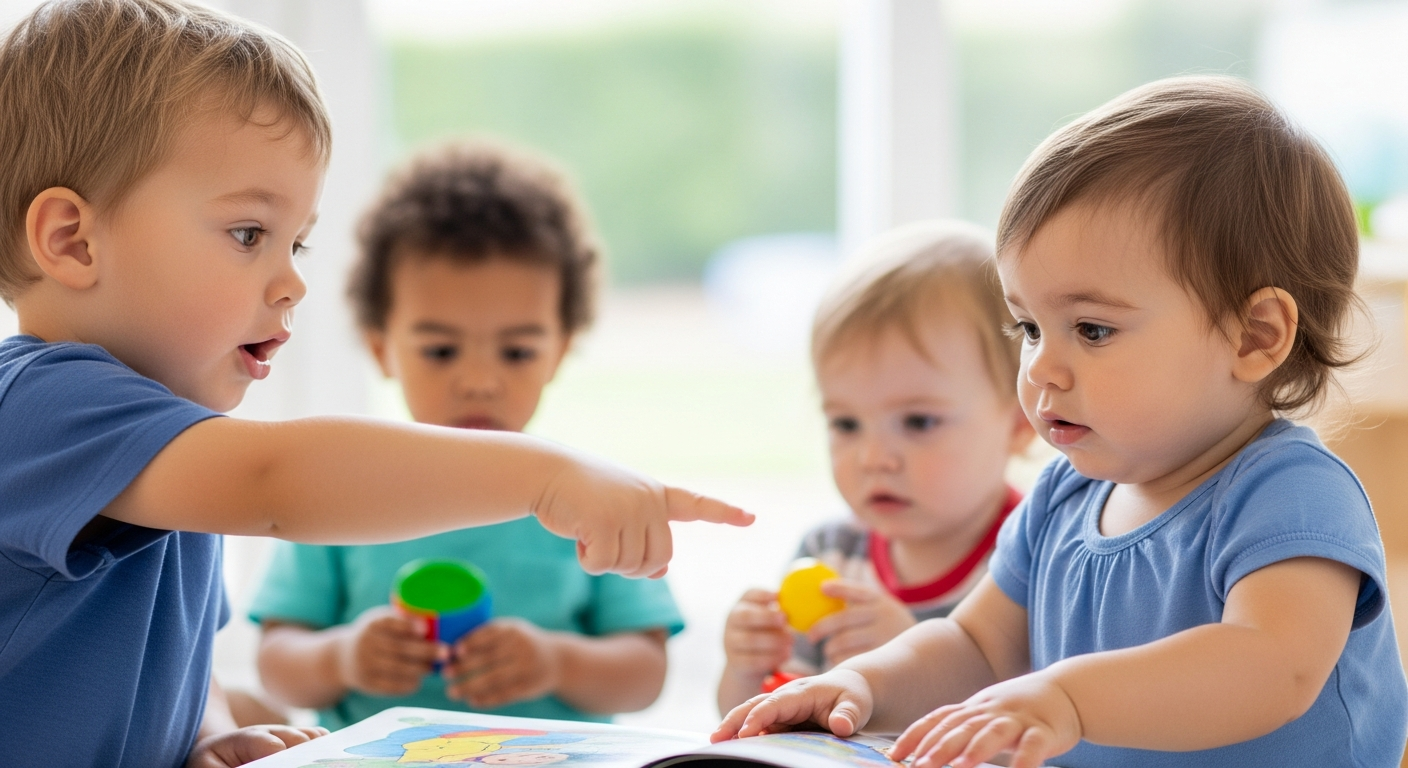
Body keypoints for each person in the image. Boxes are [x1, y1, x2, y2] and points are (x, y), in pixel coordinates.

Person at [0, 3, 750, 768]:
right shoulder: (37, 406)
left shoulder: (169, 450)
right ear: (73, 239)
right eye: (249, 234)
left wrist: (207, 732)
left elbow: (176, 665)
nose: (292, 280)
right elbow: (278, 480)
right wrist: (544, 475)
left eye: (297, 242)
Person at [712, 75, 1408, 768]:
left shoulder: (1290, 493)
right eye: (1029, 327)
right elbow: (975, 647)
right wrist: (861, 682)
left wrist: (1068, 698)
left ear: (1254, 336)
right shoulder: (1062, 498)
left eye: (1092, 329)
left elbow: (1270, 667)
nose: (1042, 369)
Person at [250, 140, 684, 727]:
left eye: (517, 351)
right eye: (441, 350)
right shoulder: (339, 486)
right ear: (382, 348)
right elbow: (278, 657)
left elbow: (644, 670)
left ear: (558, 352)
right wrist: (343, 656)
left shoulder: (590, 497)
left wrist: (558, 663)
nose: (479, 381)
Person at [715, 222, 1033, 714]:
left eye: (918, 421)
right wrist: (746, 669)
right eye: (845, 423)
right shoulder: (832, 557)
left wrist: (910, 661)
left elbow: (1030, 737)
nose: (872, 458)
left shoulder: (1033, 560)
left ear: (1019, 421)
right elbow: (763, 717)